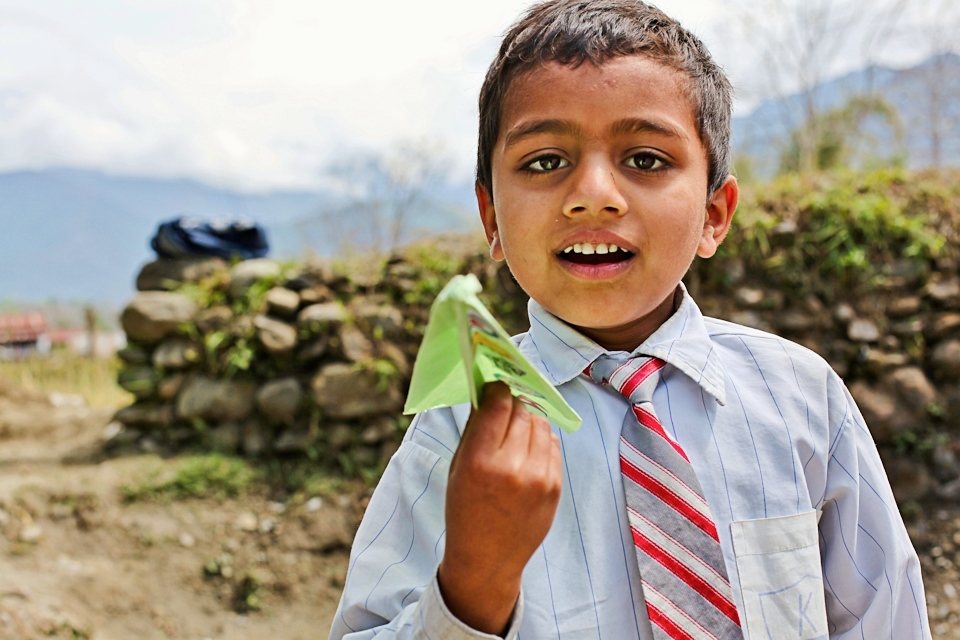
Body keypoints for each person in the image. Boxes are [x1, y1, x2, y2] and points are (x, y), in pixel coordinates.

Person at [329, 1, 931, 638]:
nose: (594, 192)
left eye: (645, 159)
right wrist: (475, 582)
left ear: (713, 214)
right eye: (543, 162)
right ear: (491, 219)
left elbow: (885, 618)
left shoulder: (801, 398)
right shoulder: (461, 425)